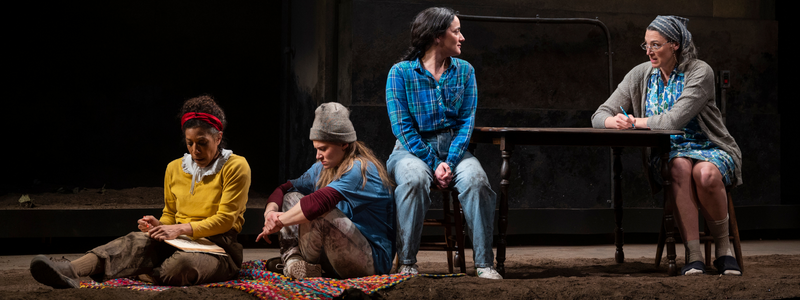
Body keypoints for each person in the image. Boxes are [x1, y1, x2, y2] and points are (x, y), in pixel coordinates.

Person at [29, 95, 252, 288]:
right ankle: (67, 271)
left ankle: (141, 270)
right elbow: (170, 215)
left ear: (218, 138)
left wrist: (177, 229)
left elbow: (225, 220)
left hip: (218, 248)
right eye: (190, 142)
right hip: (180, 239)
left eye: (202, 142)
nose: (195, 150)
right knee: (133, 241)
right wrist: (159, 225)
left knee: (179, 267)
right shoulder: (175, 168)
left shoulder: (235, 166)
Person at [591, 15, 743, 276]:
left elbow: (673, 120)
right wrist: (611, 121)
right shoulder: (641, 74)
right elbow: (597, 115)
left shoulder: (699, 71)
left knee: (705, 174)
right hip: (668, 154)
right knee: (679, 167)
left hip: (709, 146)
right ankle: (693, 256)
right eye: (646, 45)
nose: (649, 51)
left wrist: (633, 121)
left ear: (675, 45)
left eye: (656, 45)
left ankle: (723, 251)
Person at [385, 7, 501, 279]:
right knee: (413, 179)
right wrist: (434, 163)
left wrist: (448, 161)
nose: (462, 38)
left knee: (477, 181)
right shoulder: (400, 73)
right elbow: (402, 127)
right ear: (438, 36)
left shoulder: (465, 72)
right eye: (456, 31)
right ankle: (407, 264)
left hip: (455, 150)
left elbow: (466, 124)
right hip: (410, 150)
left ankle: (484, 264)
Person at [257, 102, 395, 279]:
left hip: (371, 261)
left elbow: (320, 203)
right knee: (292, 196)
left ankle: (297, 264)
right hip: (334, 254)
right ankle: (294, 262)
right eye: (316, 149)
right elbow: (284, 189)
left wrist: (279, 222)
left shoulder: (360, 169)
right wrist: (270, 213)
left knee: (319, 211)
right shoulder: (321, 168)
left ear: (343, 143)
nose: (318, 156)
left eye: (323, 149)